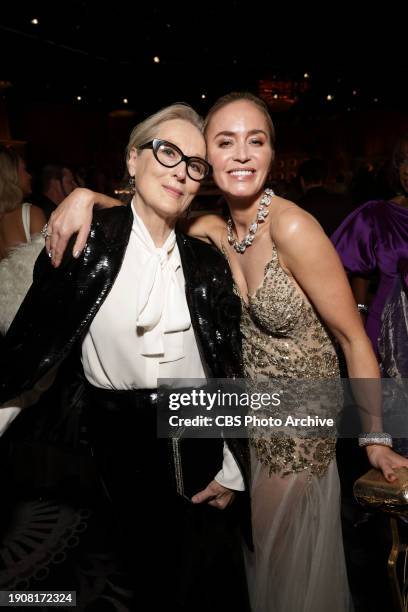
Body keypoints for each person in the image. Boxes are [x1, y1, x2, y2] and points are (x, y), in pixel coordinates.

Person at [43, 92, 408, 612]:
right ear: (204, 158)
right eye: (225, 141)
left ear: (271, 155)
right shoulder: (214, 227)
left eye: (254, 141)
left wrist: (373, 437)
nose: (241, 154)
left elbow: (353, 337)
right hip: (245, 408)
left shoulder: (294, 227)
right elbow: (147, 206)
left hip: (301, 413)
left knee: (281, 557)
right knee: (240, 546)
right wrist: (86, 196)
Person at [0, 104, 251, 612]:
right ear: (132, 161)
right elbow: (32, 357)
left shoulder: (204, 262)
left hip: (199, 438)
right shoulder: (82, 244)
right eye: (167, 152)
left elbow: (227, 367)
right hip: (120, 449)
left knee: (212, 584)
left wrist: (232, 464)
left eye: (195, 164)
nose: (181, 170)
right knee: (145, 579)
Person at [332, 132, 408, 359]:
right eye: (403, 160)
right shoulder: (377, 215)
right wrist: (359, 317)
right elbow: (358, 271)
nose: (407, 169)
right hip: (385, 332)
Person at [0, 145, 46, 334]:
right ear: (11, 176)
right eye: (24, 169)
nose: (29, 175)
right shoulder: (30, 214)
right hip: (35, 322)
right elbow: (48, 274)